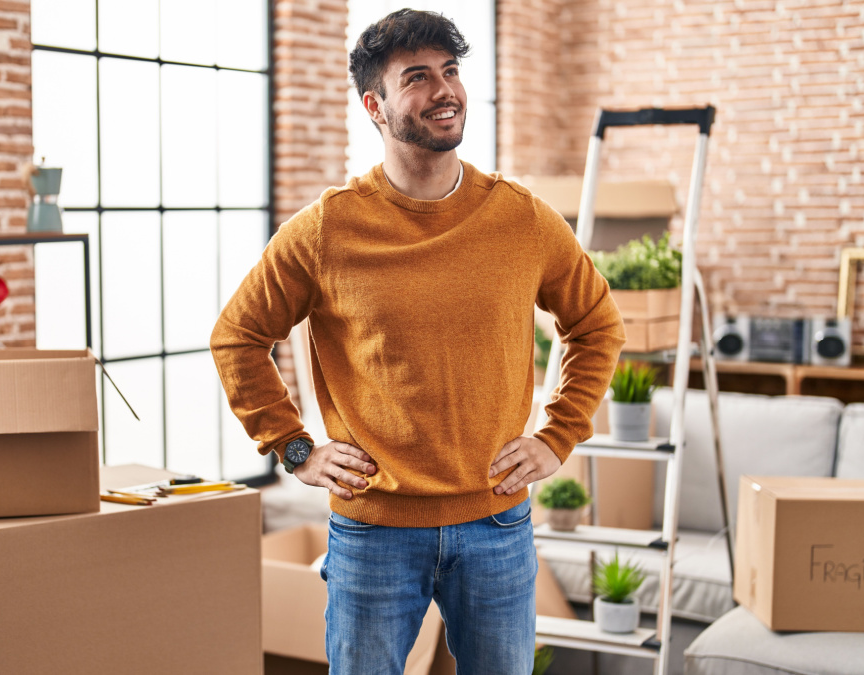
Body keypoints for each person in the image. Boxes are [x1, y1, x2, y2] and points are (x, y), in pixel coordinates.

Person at [210, 8, 625, 675]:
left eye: (452, 71)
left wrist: (558, 436)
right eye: (419, 77)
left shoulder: (519, 218)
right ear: (375, 105)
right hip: (372, 530)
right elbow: (237, 336)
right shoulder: (326, 230)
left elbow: (597, 324)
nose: (445, 90)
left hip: (496, 525)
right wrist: (293, 446)